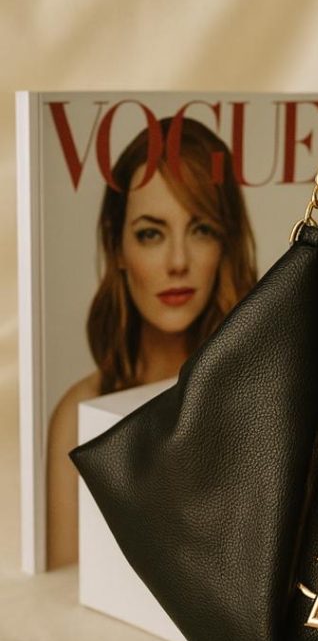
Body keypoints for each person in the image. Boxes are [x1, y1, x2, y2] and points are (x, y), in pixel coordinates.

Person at [46, 115, 257, 569]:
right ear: (117, 247)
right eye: (151, 233)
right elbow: (60, 591)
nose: (178, 261)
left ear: (225, 243)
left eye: (201, 229)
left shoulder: (258, 396)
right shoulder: (78, 413)